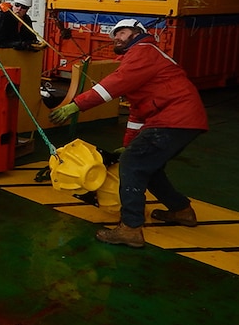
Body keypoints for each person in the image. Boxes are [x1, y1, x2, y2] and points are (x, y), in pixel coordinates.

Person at [49, 18, 208, 248]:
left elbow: (115, 84)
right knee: (148, 168)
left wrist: (76, 104)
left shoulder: (144, 51)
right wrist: (127, 144)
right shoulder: (141, 57)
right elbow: (136, 111)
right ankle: (181, 210)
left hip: (173, 118)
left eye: (121, 32)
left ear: (136, 33)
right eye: (115, 33)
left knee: (132, 164)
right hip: (180, 119)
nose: (116, 37)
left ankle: (131, 229)